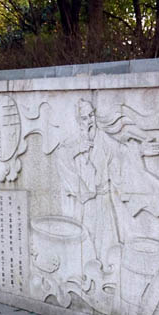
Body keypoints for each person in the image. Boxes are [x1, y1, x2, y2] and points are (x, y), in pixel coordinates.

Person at [55, 99, 118, 262]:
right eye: (84, 117)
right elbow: (61, 157)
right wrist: (77, 150)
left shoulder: (103, 138)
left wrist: (140, 150)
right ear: (78, 120)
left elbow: (121, 151)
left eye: (91, 115)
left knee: (106, 245)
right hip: (85, 203)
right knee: (85, 246)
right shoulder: (72, 141)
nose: (90, 120)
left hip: (104, 200)